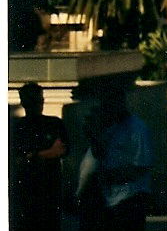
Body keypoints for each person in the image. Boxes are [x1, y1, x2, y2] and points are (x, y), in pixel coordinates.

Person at [79, 82, 153, 231]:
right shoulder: (110, 129)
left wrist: (113, 176)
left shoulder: (137, 129)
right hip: (111, 199)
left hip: (130, 198)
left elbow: (142, 166)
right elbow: (99, 156)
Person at [10, 82, 69, 231]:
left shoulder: (52, 124)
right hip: (29, 194)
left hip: (46, 192)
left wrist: (34, 156)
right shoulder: (17, 128)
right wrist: (46, 154)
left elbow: (63, 149)